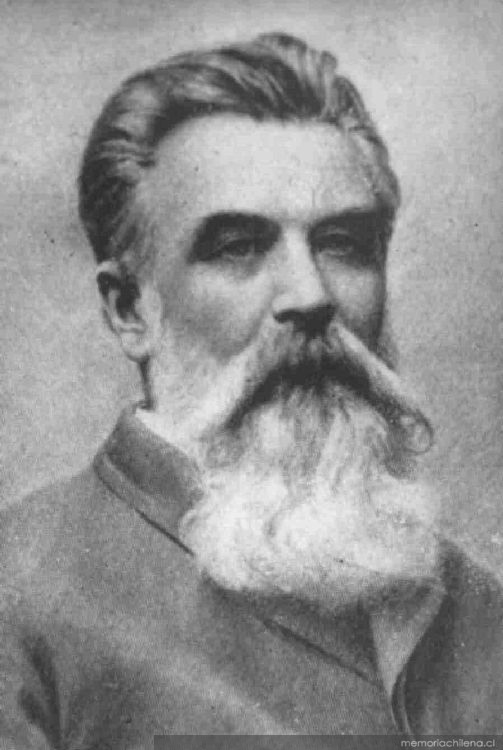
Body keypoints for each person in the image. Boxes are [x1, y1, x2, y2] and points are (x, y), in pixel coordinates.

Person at [1, 32, 502, 748]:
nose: (310, 295)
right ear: (129, 309)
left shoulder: (475, 604)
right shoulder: (21, 593)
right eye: (238, 246)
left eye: (343, 243)